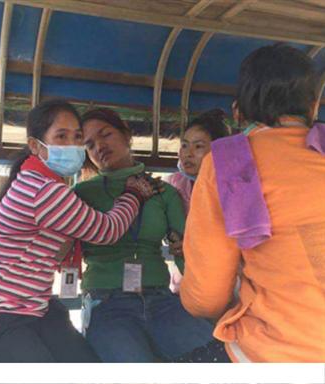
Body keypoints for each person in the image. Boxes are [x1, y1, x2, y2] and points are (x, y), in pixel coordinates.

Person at [0, 99, 155, 362]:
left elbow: (19, 228)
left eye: (77, 137)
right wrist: (134, 193)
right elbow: (107, 231)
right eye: (61, 137)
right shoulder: (44, 189)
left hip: (35, 306)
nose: (73, 145)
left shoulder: (35, 179)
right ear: (36, 146)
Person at [180, 44, 325, 362]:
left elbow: (206, 296)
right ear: (313, 105)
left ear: (239, 111)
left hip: (280, 349)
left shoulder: (228, 163)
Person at [75, 107, 230, 362]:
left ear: (126, 135)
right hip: (107, 303)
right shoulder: (81, 194)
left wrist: (211, 303)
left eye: (106, 135)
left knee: (219, 359)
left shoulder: (163, 192)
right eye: (89, 144)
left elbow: (186, 255)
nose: (99, 147)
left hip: (161, 301)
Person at [166, 109, 230, 291]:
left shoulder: (232, 188)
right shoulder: (173, 184)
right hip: (185, 279)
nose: (188, 153)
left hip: (224, 278)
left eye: (198, 146)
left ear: (218, 151)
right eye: (184, 145)